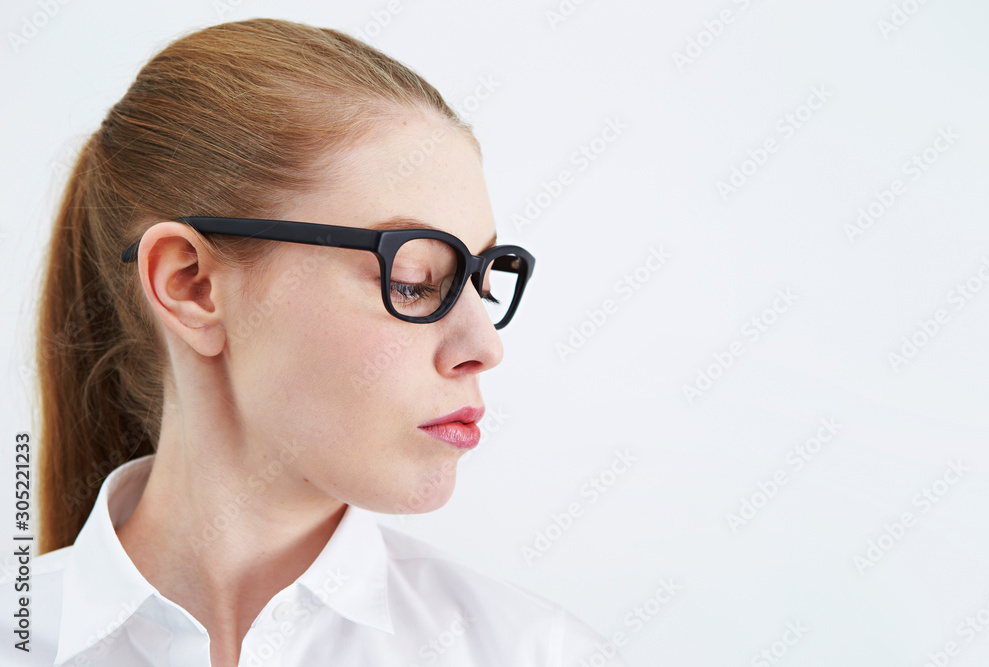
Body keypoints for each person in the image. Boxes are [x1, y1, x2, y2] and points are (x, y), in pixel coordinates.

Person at [1, 17, 630, 667]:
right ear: (191, 285)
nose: (484, 345)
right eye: (414, 279)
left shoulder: (538, 653)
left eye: (484, 281)